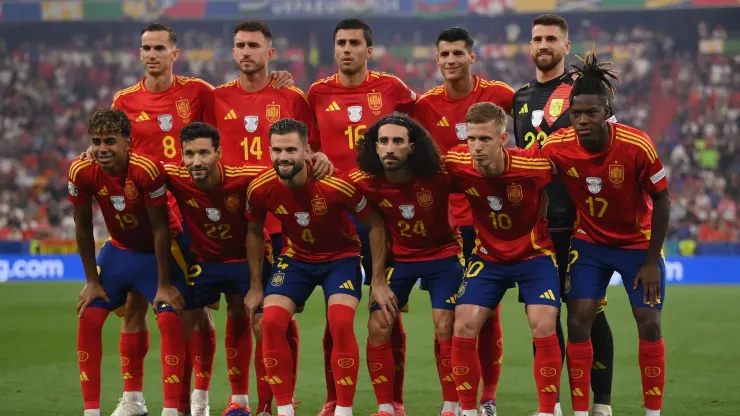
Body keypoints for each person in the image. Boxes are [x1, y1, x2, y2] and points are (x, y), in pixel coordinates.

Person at [541, 49, 669, 416]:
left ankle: (653, 412)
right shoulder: (557, 146)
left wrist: (649, 262)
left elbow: (662, 201)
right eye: (576, 113)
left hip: (637, 245)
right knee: (579, 318)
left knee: (648, 321)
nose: (582, 120)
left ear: (607, 113)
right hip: (590, 244)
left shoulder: (636, 144)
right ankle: (583, 411)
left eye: (591, 113)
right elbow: (530, 176)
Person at [307, 19, 416, 415]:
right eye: (341, 43)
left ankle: (395, 402)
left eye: (355, 43)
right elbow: (310, 149)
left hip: (381, 215)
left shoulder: (393, 89)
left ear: (369, 50)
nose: (347, 49)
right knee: (335, 315)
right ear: (334, 49)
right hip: (335, 213)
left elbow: (416, 140)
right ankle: (334, 399)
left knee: (388, 307)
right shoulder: (317, 92)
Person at [245, 118, 388, 416]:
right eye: (277, 150)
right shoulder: (260, 188)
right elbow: (254, 232)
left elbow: (375, 224)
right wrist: (256, 287)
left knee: (339, 321)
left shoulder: (335, 183)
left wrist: (377, 280)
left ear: (306, 150)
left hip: (341, 258)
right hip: (297, 258)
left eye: (290, 149)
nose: (283, 157)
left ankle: (343, 410)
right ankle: (284, 409)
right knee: (270, 322)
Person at [213, 20, 319, 414]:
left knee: (269, 315)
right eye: (239, 44)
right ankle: (240, 400)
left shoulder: (291, 97)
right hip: (228, 221)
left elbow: (313, 153)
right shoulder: (215, 97)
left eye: (253, 45)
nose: (245, 52)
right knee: (237, 308)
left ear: (269, 53)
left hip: (277, 223)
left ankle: (275, 402)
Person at [512, 15, 616, 416]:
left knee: (587, 313)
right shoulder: (519, 98)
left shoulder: (583, 93)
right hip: (537, 225)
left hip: (579, 223)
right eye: (537, 38)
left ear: (566, 46)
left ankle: (601, 404)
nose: (543, 44)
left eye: (551, 38)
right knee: (543, 316)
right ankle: (550, 405)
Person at [413, 27, 515, 415]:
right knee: (450, 316)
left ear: (473, 56)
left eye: (458, 53)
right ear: (436, 59)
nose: (451, 60)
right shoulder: (423, 106)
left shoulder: (501, 96)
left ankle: (487, 397)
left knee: (487, 313)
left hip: (493, 220)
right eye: (444, 54)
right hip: (449, 226)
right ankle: (453, 400)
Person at [447, 103, 562, 416]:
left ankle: (547, 411)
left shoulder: (533, 166)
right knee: (464, 324)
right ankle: (469, 411)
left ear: (503, 139)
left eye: (485, 139)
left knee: (542, 324)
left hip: (534, 254)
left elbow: (567, 180)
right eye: (471, 139)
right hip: (488, 256)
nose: (476, 147)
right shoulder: (457, 162)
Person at [71, 109, 188, 416]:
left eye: (110, 141)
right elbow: (82, 228)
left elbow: (161, 229)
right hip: (119, 251)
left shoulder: (146, 170)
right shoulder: (81, 170)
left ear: (127, 141)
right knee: (89, 316)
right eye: (96, 141)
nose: (102, 148)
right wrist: (92, 282)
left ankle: (172, 410)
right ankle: (94, 411)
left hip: (158, 253)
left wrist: (163, 285)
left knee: (169, 316)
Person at [350, 115, 464, 416]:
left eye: (397, 141)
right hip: (401, 259)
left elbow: (480, 186)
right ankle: (387, 408)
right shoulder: (364, 182)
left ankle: (452, 406)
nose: (390, 148)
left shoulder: (439, 175)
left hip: (444, 255)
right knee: (378, 324)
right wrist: (376, 280)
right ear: (374, 147)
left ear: (412, 147)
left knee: (445, 325)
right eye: (384, 141)